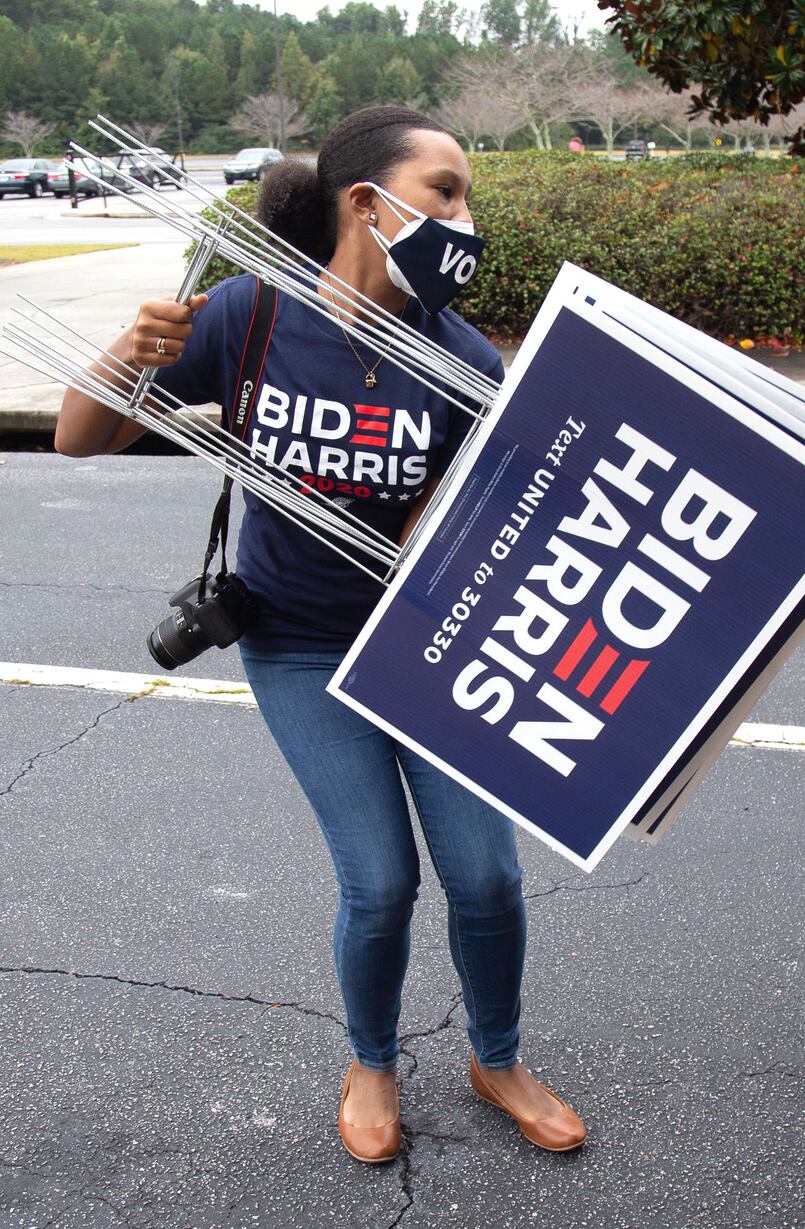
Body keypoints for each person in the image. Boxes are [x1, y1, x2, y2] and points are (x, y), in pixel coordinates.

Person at [54, 106, 587, 1165]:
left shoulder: (460, 357)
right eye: (445, 192)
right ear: (365, 202)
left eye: (466, 196)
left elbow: (488, 523)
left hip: (429, 649)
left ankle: (497, 1056)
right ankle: (372, 1062)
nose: (465, 218)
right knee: (379, 879)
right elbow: (77, 436)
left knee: (486, 876)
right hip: (298, 648)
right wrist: (128, 348)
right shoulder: (249, 316)